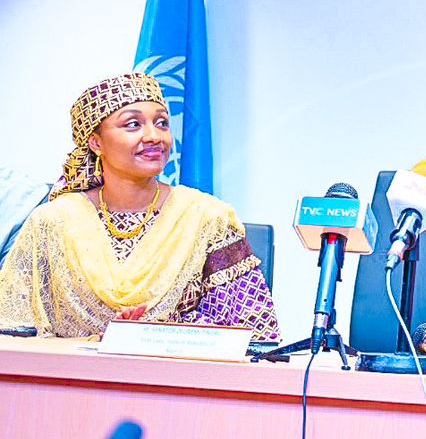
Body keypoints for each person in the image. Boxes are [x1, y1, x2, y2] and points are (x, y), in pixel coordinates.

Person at [0, 73, 279, 340]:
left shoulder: (206, 218)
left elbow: (255, 334)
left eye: (162, 123)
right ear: (96, 142)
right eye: (133, 124)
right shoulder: (53, 222)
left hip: (176, 372)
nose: (154, 136)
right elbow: (12, 330)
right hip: (64, 372)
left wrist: (152, 337)